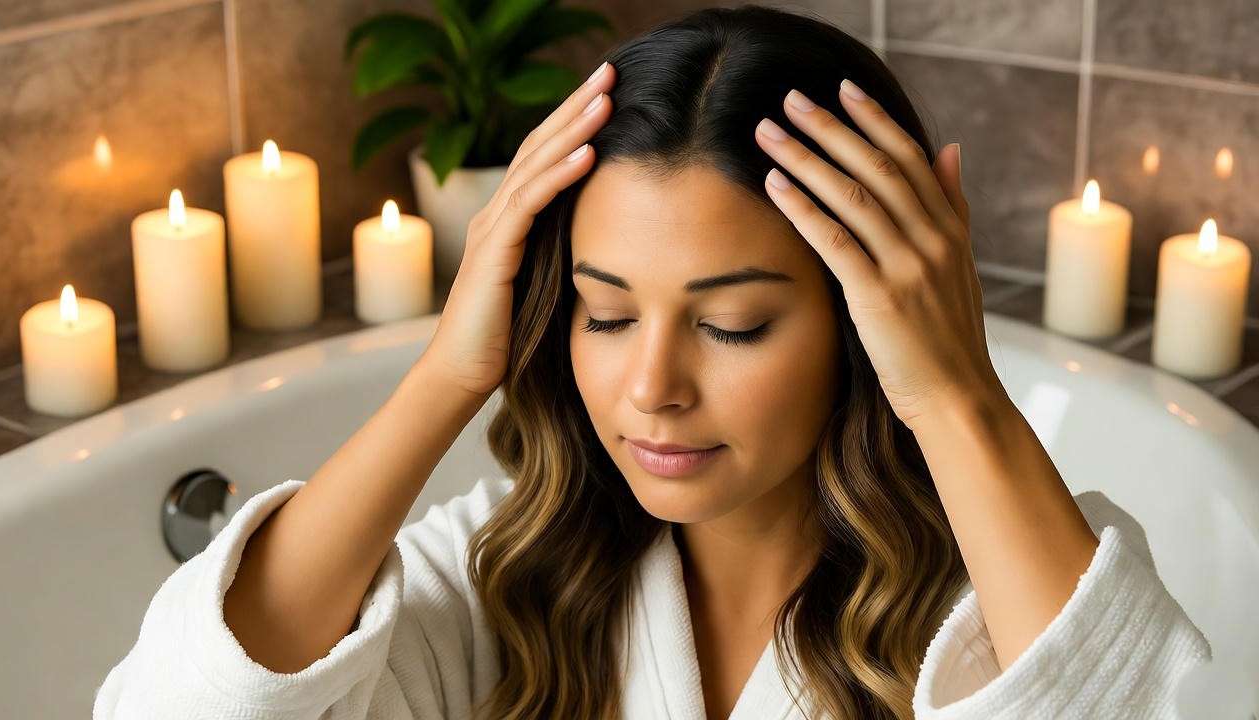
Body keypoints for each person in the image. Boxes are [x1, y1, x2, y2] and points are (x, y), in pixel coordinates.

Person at [93, 5, 1211, 719]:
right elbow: (174, 708)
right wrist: (445, 374)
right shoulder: (513, 576)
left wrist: (952, 388)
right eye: (604, 315)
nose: (651, 390)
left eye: (732, 326)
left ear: (865, 324)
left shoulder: (998, 600)